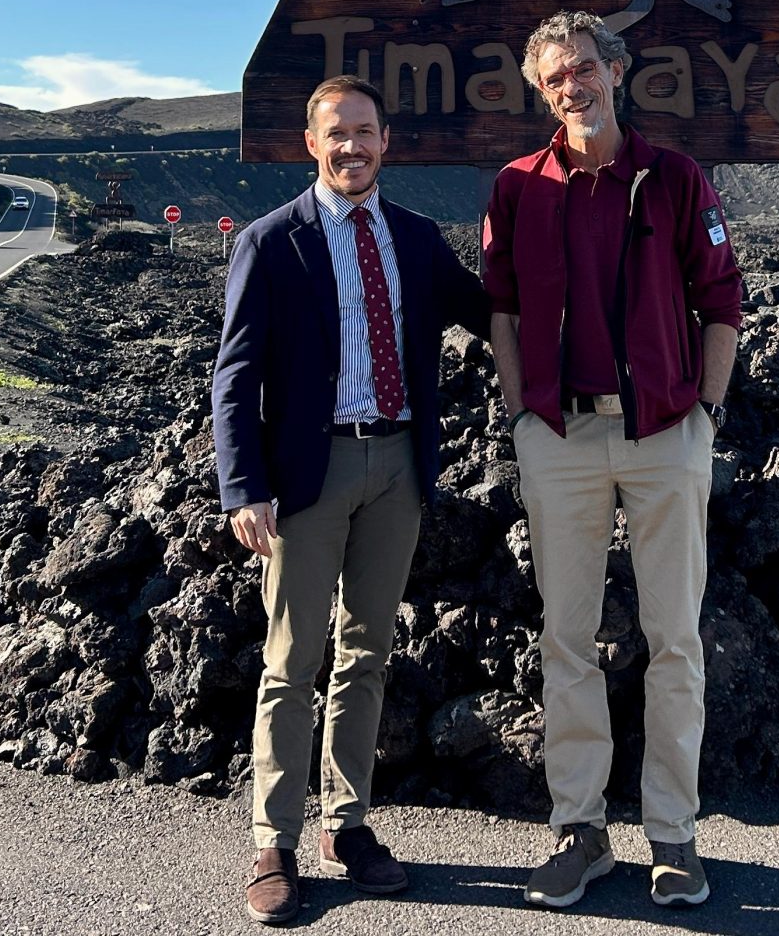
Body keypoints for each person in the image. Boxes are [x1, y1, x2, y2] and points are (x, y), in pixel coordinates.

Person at [212, 74, 489, 925]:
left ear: (386, 140)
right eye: (337, 134)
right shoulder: (271, 241)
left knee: (367, 652)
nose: (353, 147)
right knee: (291, 661)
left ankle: (347, 822)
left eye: (365, 132)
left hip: (398, 466)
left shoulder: (414, 236)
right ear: (312, 142)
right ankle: (274, 839)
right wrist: (243, 485)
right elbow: (234, 374)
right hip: (307, 475)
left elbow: (488, 312)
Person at [482, 9, 743, 910]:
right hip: (561, 437)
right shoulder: (518, 186)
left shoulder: (673, 178)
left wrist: (704, 412)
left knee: (675, 639)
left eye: (583, 68)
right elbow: (504, 311)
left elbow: (722, 301)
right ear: (539, 91)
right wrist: (522, 416)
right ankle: (580, 830)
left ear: (617, 69)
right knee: (567, 638)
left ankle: (673, 833)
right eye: (554, 78)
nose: (572, 87)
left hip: (665, 432)